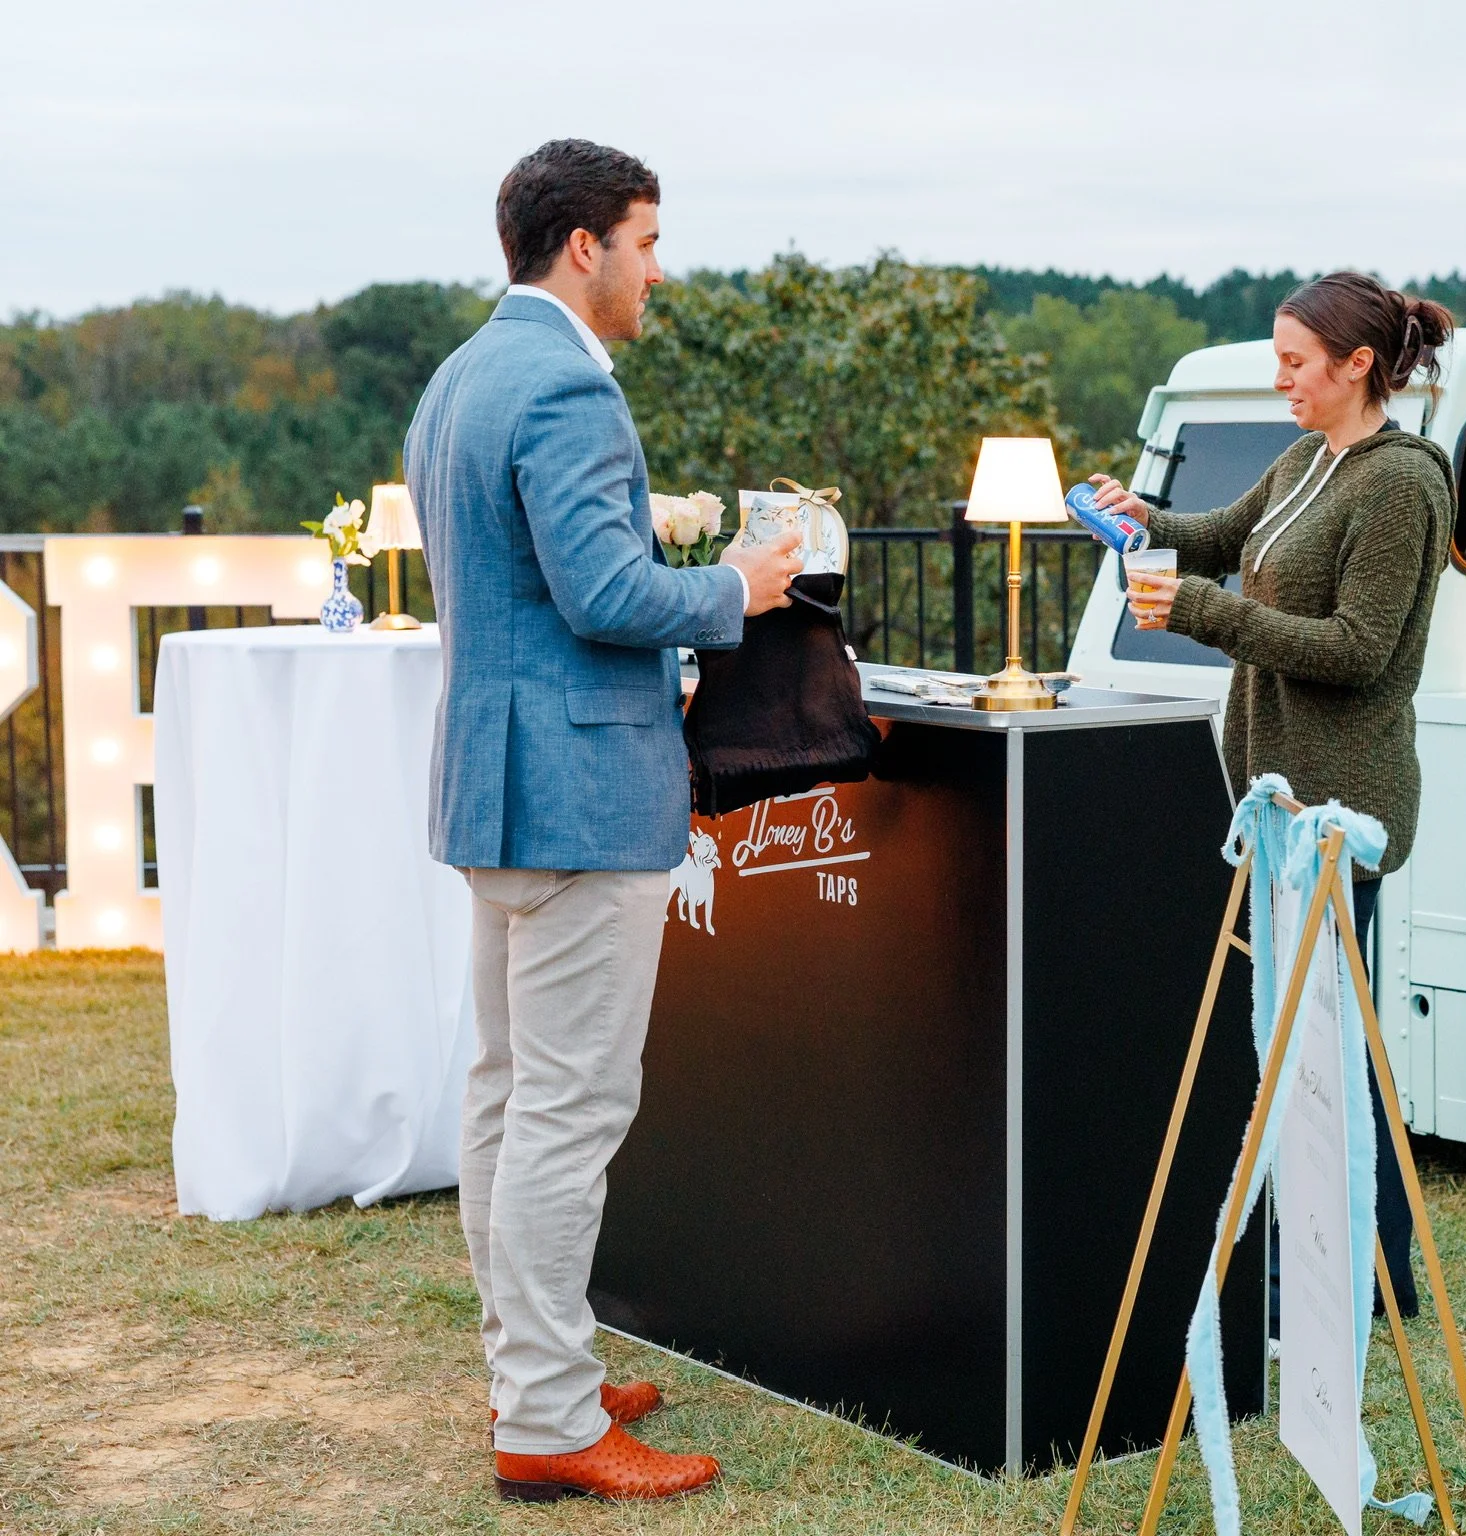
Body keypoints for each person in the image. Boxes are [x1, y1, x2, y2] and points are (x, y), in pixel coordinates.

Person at [405, 139, 803, 1503]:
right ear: (585, 246)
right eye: (647, 241)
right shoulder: (568, 384)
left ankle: (538, 1370)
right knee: (567, 1112)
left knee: (510, 1095)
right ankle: (547, 1415)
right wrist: (738, 587)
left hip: (494, 788)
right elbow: (606, 597)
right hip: (579, 797)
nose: (656, 271)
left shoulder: (461, 376)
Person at [1090, 271, 1456, 1318]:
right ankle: (1344, 1272)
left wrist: (1202, 614)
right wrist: (1142, 518)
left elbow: (1356, 649)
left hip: (1340, 806)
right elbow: (1223, 538)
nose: (1282, 379)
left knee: (1328, 1050)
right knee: (1306, 1044)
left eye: (1297, 362)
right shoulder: (1307, 458)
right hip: (1275, 795)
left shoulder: (1401, 485)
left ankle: (1360, 1277)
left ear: (1358, 364)